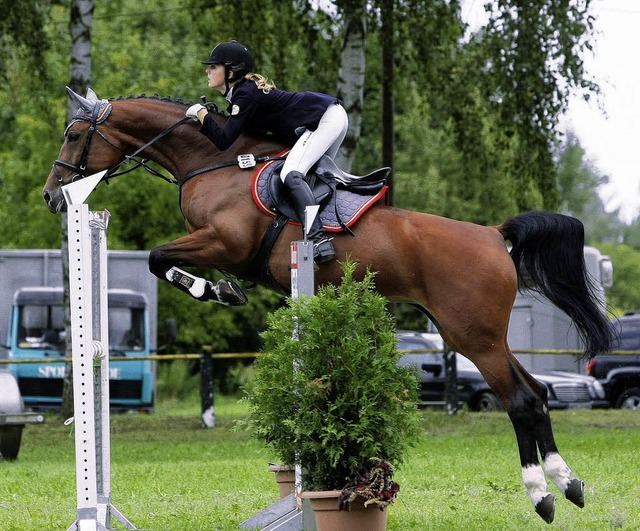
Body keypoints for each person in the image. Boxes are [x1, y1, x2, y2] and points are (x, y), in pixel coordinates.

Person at [186, 40, 346, 264]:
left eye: (214, 66)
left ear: (230, 72)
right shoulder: (242, 94)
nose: (208, 70)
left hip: (322, 119)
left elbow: (223, 141)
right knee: (313, 177)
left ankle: (318, 239)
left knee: (291, 174)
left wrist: (202, 114)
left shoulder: (245, 94)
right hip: (328, 115)